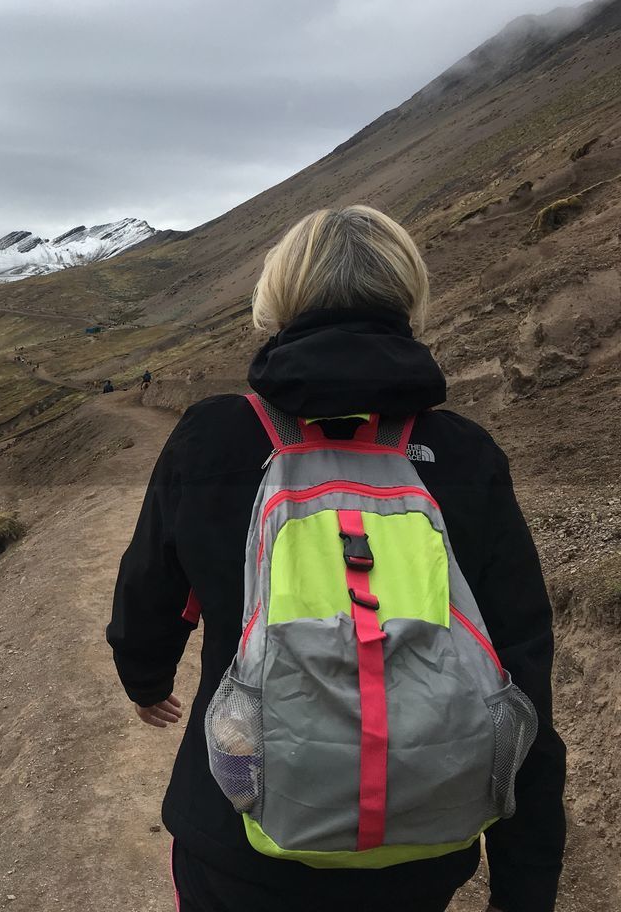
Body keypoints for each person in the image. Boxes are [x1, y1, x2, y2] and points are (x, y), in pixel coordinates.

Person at [106, 205, 565, 912]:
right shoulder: (466, 455)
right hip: (420, 848)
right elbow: (522, 669)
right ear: (406, 295)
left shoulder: (213, 437)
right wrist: (523, 888)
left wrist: (145, 678)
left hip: (238, 839)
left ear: (277, 299)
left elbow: (150, 591)